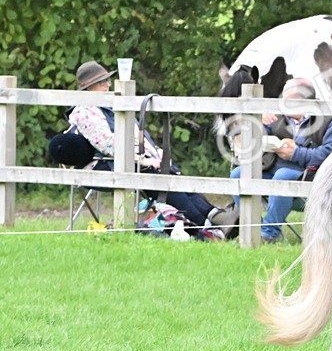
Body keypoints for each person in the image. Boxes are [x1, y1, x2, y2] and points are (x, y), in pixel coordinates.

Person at [67, 61, 238, 236]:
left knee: (168, 171)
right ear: (89, 88)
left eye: (107, 81)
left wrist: (157, 155)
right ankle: (205, 226)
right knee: (156, 176)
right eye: (102, 82)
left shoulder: (111, 107)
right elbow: (110, 145)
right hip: (101, 165)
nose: (108, 85)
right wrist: (144, 160)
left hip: (127, 160)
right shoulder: (84, 112)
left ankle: (214, 216)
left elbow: (139, 136)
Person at [230, 77, 332, 243]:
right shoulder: (277, 116)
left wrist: (297, 153)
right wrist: (258, 122)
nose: (281, 103)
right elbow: (250, 140)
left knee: (283, 175)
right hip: (273, 172)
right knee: (238, 174)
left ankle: (269, 234)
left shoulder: (330, 120)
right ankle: (255, 229)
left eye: (287, 100)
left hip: (313, 182)